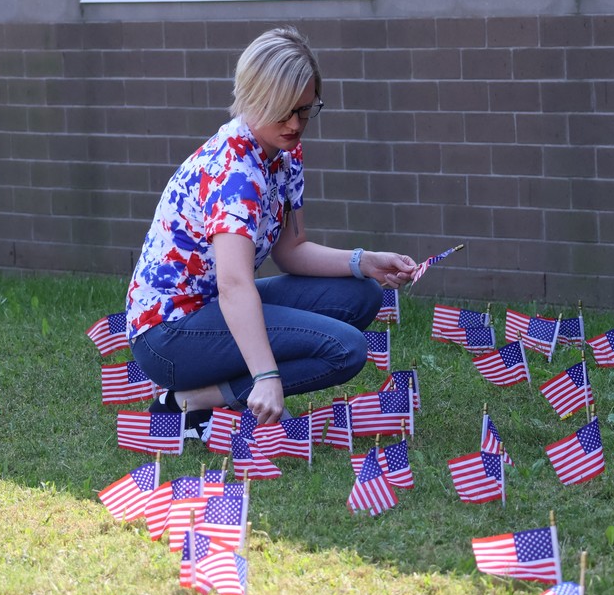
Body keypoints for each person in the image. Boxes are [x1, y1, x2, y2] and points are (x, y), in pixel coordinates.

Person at [125, 27, 417, 433]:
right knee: (346, 350)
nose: (296, 124)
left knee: (361, 294)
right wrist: (265, 375)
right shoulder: (235, 173)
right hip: (169, 336)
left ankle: (212, 395)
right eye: (284, 110)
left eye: (305, 109)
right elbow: (234, 285)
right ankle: (191, 400)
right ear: (253, 98)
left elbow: (292, 250)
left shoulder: (283, 152)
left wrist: (364, 261)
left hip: (214, 310)